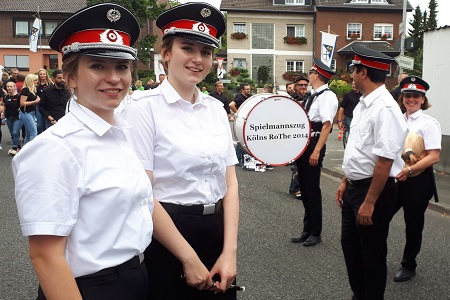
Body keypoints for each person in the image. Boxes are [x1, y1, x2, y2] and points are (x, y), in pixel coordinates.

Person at [13, 4, 210, 300]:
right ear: (71, 77)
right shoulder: (54, 149)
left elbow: (145, 200)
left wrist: (189, 258)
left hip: (139, 275)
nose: (114, 77)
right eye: (97, 66)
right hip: (91, 288)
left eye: (121, 67)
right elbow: (45, 256)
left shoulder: (119, 134)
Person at [120, 3, 239, 299]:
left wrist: (230, 252)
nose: (198, 59)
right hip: (167, 234)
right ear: (166, 53)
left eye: (206, 52)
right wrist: (188, 258)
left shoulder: (215, 109)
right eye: (188, 48)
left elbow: (231, 184)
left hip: (216, 229)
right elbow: (145, 193)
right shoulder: (142, 108)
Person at [335, 45, 407, 300]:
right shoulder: (365, 104)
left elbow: (384, 163)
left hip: (373, 192)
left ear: (363, 72)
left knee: (373, 255)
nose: (351, 75)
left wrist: (369, 203)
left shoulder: (385, 109)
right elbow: (358, 151)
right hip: (356, 188)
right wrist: (345, 180)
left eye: (353, 70)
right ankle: (360, 295)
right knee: (351, 250)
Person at [391, 76, 441, 282]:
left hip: (417, 182)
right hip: (394, 178)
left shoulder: (429, 123)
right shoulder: (396, 120)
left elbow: (434, 156)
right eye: (407, 96)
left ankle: (408, 264)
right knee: (378, 217)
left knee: (413, 225)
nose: (411, 99)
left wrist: (409, 171)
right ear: (402, 98)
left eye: (415, 96)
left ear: (423, 99)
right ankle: (374, 256)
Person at [291, 59, 338, 246]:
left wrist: (316, 150)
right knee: (304, 187)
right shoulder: (314, 95)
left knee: (312, 189)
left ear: (316, 75)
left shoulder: (327, 96)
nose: (309, 76)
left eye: (311, 73)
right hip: (306, 143)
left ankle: (315, 232)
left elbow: (327, 125)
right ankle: (307, 229)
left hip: (314, 144)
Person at [19, 74, 39, 144]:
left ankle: (26, 151)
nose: (37, 81)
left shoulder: (32, 89)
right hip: (26, 112)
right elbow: (22, 103)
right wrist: (35, 101)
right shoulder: (25, 90)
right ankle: (31, 150)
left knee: (29, 134)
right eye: (35, 80)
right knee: (34, 133)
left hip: (31, 112)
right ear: (31, 81)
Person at [4, 81, 23, 155]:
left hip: (17, 117)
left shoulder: (19, 96)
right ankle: (18, 147)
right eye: (8, 87)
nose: (9, 88)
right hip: (9, 117)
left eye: (11, 86)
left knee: (15, 132)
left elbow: (21, 105)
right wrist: (3, 113)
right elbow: (4, 105)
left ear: (14, 87)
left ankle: (14, 147)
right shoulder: (6, 97)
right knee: (13, 133)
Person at [36, 69, 53, 134]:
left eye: (44, 74)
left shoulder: (50, 84)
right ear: (39, 75)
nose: (42, 75)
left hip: (48, 106)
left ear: (46, 75)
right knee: (39, 125)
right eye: (41, 74)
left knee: (47, 125)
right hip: (39, 106)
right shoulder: (37, 85)